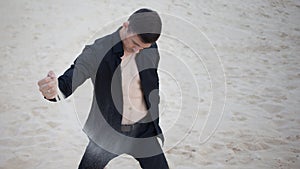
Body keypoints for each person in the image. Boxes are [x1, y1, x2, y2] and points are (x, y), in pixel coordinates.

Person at [37, 8, 169, 169]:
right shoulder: (97, 51)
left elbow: (150, 84)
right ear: (126, 26)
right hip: (109, 132)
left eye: (143, 47)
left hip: (144, 130)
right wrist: (53, 91)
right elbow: (67, 83)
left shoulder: (150, 48)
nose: (137, 50)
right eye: (134, 44)